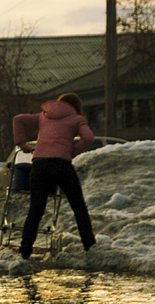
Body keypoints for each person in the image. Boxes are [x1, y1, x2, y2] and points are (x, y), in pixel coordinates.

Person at [12, 92, 96, 259]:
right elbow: (88, 137)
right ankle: (90, 246)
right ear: (76, 106)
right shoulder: (77, 119)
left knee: (36, 210)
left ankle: (25, 251)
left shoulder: (43, 116)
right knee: (78, 207)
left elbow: (18, 120)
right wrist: (72, 151)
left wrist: (22, 143)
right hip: (61, 165)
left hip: (39, 165)